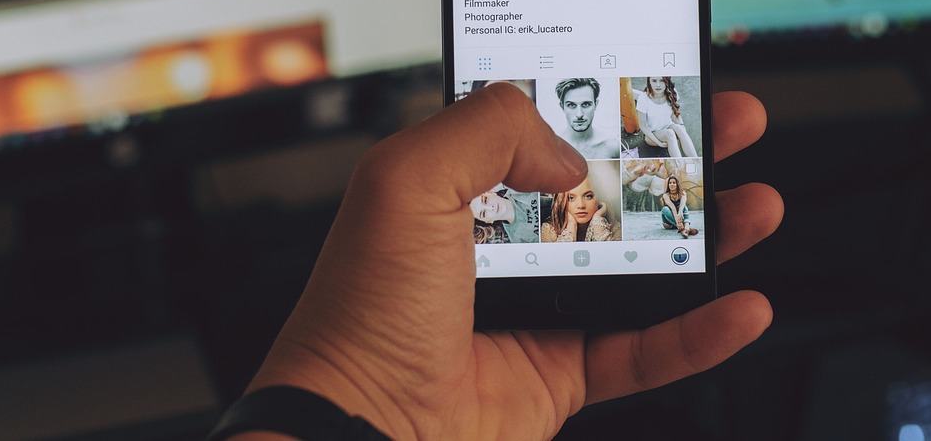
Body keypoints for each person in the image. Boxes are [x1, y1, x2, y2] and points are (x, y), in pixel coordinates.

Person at [210, 83, 781, 441]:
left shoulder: (631, 152)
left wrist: (368, 402)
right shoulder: (526, 192)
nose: (580, 113)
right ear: (559, 105)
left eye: (589, 103)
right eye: (572, 103)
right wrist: (373, 400)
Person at [552, 77, 619, 160]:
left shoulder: (612, 146)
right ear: (562, 106)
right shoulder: (551, 147)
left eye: (586, 104)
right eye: (571, 105)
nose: (579, 114)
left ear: (596, 104)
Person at [636, 75, 699, 161]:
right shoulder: (643, 98)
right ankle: (680, 166)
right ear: (649, 82)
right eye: (654, 81)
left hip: (667, 126)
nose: (658, 85)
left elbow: (675, 114)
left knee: (679, 128)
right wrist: (659, 143)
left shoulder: (672, 92)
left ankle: (697, 161)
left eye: (661, 80)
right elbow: (642, 126)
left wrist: (682, 126)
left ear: (667, 82)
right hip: (652, 135)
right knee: (670, 133)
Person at [540, 175, 616, 242]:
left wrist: (597, 219)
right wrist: (571, 226)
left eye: (588, 196)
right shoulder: (549, 231)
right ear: (561, 202)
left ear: (599, 199)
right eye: (571, 198)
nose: (581, 205)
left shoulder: (614, 228)